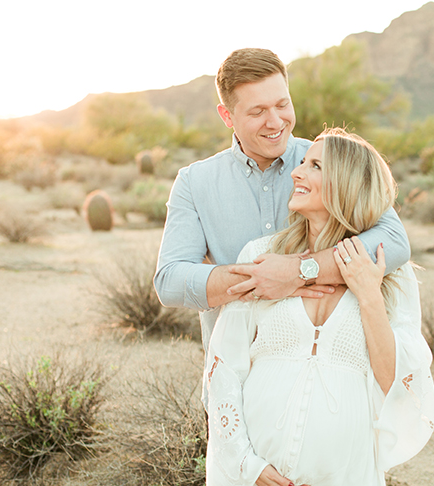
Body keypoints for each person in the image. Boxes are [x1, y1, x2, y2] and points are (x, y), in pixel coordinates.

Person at [205, 128, 434, 486]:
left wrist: (367, 294)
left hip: (343, 482)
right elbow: (223, 366)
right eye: (300, 163)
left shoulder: (390, 272)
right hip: (255, 482)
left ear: (346, 184)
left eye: (314, 166)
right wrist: (250, 466)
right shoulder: (261, 257)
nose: (296, 173)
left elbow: (395, 380)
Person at [154, 48, 411, 360]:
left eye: (282, 104)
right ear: (227, 116)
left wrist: (302, 270)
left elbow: (394, 242)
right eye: (257, 111)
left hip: (325, 373)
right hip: (236, 376)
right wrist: (260, 279)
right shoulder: (195, 182)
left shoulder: (329, 161)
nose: (275, 122)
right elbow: (169, 280)